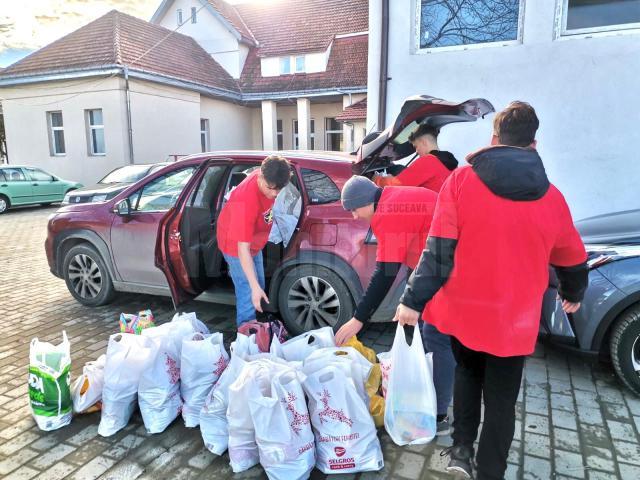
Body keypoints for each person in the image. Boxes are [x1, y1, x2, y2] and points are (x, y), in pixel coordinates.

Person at [394, 101, 588, 479]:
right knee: (501, 399)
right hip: (513, 322)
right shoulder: (553, 198)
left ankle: (461, 450)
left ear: (494, 138)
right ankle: (490, 470)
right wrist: (573, 292)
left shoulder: (461, 181)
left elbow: (438, 250)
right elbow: (571, 256)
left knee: (466, 375)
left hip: (464, 312)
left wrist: (412, 301)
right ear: (534, 144)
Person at [334, 176, 455, 435]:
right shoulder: (391, 198)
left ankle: (440, 415)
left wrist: (358, 318)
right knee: (425, 331)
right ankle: (424, 389)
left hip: (449, 271)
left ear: (366, 202)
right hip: (434, 266)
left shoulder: (388, 213)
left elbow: (385, 273)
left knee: (437, 338)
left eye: (354, 209)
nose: (354, 216)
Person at [216, 155, 291, 328]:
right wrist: (254, 287)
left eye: (278, 190)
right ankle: (245, 339)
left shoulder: (270, 173)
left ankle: (257, 325)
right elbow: (242, 250)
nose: (274, 194)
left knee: (259, 285)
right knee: (249, 290)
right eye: (270, 189)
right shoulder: (244, 201)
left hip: (254, 242)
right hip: (235, 246)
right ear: (261, 177)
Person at [373, 124, 458, 192]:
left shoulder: (428, 161)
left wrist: (377, 179)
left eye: (416, 146)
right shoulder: (450, 163)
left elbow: (396, 185)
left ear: (424, 142)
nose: (416, 151)